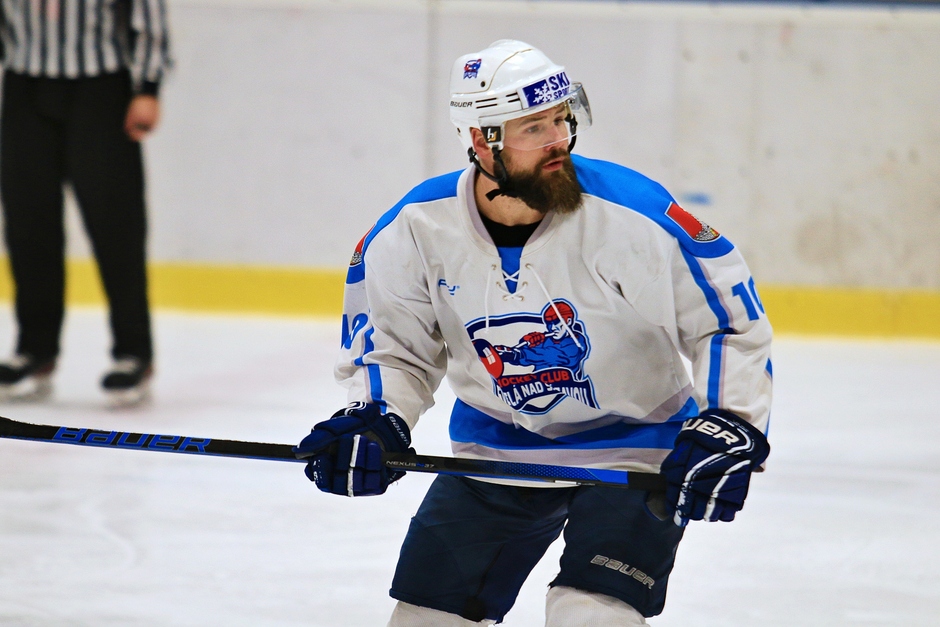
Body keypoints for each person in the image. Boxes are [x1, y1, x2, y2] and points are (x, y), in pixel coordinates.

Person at [295, 40, 772, 626]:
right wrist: (376, 417)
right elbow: (395, 351)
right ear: (481, 141)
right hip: (495, 448)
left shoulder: (631, 214)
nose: (559, 140)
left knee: (589, 616)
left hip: (636, 446)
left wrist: (731, 421)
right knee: (425, 621)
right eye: (534, 128)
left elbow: (727, 321)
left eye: (561, 119)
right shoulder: (413, 228)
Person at [0, 0, 171, 405]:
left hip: (100, 86)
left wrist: (147, 87)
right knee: (28, 222)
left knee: (115, 224)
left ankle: (133, 352)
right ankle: (35, 349)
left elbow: (147, 13)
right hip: (24, 83)